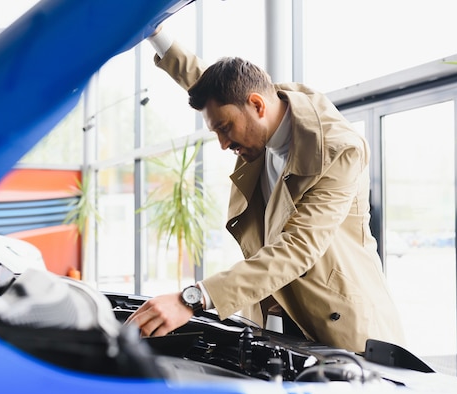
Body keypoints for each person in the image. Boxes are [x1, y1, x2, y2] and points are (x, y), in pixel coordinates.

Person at [126, 26, 405, 353]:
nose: (223, 143)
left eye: (226, 129)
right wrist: (153, 32)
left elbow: (298, 247)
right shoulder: (261, 105)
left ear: (257, 105)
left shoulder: (338, 150)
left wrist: (195, 298)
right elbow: (208, 83)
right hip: (275, 317)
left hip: (343, 328)